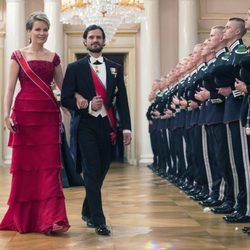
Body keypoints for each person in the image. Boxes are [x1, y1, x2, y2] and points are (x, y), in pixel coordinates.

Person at [0, 11, 70, 235]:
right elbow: (10, 89)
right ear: (29, 32)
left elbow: (64, 88)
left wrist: (77, 105)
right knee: (26, 169)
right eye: (38, 29)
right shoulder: (17, 55)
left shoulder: (53, 57)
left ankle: (50, 219)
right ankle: (27, 219)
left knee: (49, 168)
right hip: (24, 115)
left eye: (45, 29)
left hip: (48, 116)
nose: (42, 33)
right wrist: (5, 115)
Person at [61, 24, 132, 236]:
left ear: (103, 41)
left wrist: (126, 127)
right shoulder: (75, 68)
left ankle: (86, 209)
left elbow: (122, 101)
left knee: (101, 169)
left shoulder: (115, 67)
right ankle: (98, 219)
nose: (95, 40)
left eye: (98, 37)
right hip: (85, 126)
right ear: (84, 41)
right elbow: (65, 98)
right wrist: (84, 105)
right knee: (91, 170)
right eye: (91, 37)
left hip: (107, 126)